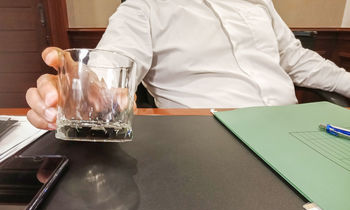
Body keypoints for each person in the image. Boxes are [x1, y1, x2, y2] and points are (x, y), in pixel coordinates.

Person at [26, 0, 350, 130]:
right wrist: (86, 92)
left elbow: (295, 58)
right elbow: (113, 63)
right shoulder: (145, 5)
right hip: (215, 136)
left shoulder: (260, 2)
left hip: (295, 125)